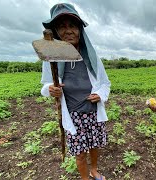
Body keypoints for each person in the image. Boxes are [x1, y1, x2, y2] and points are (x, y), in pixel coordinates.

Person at [40, 3, 110, 180]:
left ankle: (94, 170)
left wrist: (100, 95)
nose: (68, 30)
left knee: (94, 146)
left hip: (93, 113)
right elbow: (45, 85)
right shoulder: (51, 59)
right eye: (62, 26)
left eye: (72, 25)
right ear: (55, 31)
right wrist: (50, 89)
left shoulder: (92, 57)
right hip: (73, 116)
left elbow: (105, 83)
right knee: (79, 153)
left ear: (79, 30)